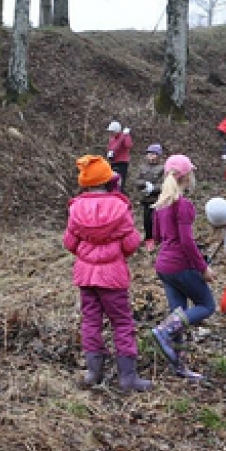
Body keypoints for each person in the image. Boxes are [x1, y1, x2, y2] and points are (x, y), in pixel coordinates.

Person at [64, 155, 151, 392]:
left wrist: (87, 251)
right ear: (107, 180)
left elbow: (69, 243)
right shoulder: (120, 207)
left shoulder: (75, 208)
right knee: (122, 323)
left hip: (86, 276)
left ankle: (93, 372)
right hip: (113, 276)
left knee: (91, 321)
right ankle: (127, 377)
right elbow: (131, 244)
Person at [150, 154, 215, 381]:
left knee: (178, 316)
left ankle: (180, 367)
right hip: (179, 265)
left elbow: (157, 237)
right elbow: (186, 242)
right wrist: (203, 268)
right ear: (186, 176)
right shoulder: (183, 205)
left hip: (164, 266)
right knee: (207, 305)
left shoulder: (160, 205)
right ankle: (163, 331)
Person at [132, 144, 164, 252]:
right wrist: (145, 184)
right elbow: (136, 180)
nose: (151, 156)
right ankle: (149, 239)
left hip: (158, 200)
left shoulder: (162, 168)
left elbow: (164, 184)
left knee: (158, 220)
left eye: (153, 154)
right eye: (149, 154)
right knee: (147, 220)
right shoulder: (142, 167)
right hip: (146, 199)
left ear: (158, 156)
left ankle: (159, 238)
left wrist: (153, 188)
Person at [105, 121, 133, 190]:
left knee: (120, 183)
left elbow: (128, 145)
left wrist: (126, 136)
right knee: (111, 182)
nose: (111, 133)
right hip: (113, 162)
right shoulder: (112, 139)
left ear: (117, 131)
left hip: (122, 163)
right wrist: (109, 153)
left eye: (112, 131)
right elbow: (110, 148)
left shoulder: (124, 136)